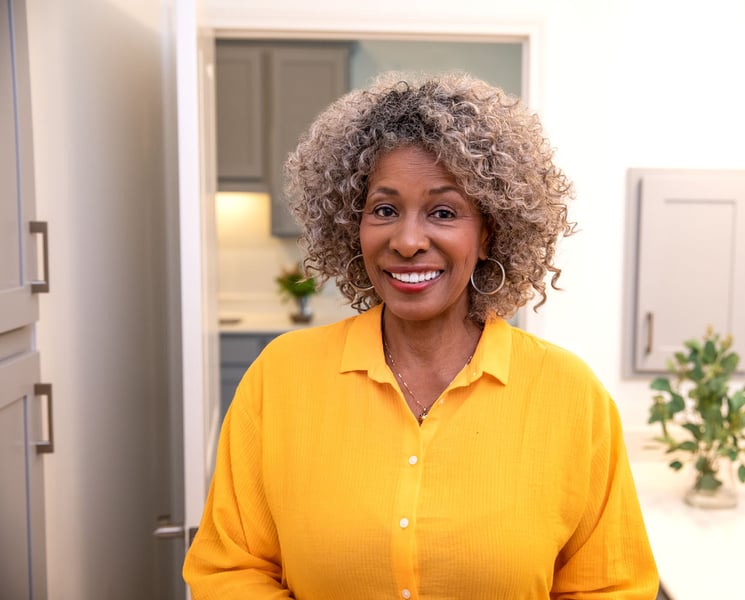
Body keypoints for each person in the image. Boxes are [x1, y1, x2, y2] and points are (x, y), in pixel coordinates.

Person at [183, 71, 658, 599]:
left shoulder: (571, 396)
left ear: (489, 234)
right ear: (351, 225)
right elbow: (230, 571)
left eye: (444, 212)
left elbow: (611, 587)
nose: (408, 241)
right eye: (384, 209)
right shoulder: (282, 376)